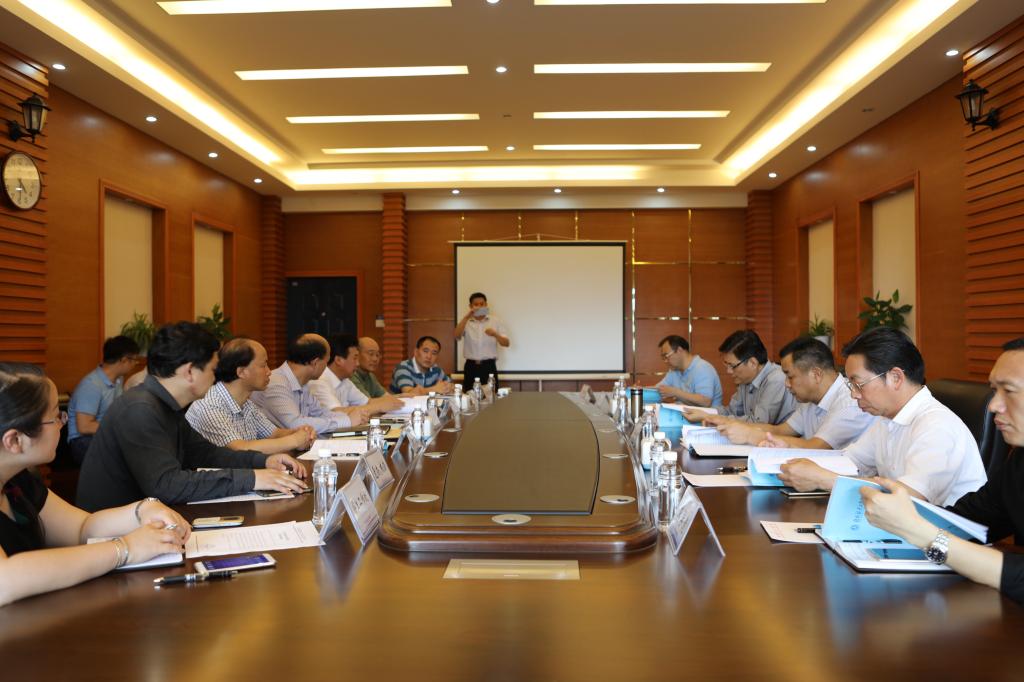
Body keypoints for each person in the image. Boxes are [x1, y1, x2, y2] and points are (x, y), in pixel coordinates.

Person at [0, 364, 190, 607]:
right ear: (15, 440)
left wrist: (142, 510)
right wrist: (125, 548)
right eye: (56, 417)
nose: (62, 423)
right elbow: (5, 580)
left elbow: (81, 528)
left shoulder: (18, 481)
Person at [860, 338, 1024, 603]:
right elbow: (970, 521)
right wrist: (880, 528)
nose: (994, 405)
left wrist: (923, 533)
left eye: (1010, 391)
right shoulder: (1019, 462)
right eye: (995, 390)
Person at [76, 322, 307, 511]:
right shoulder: (140, 409)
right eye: (212, 369)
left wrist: (263, 462)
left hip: (149, 522)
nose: (216, 377)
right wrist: (253, 478)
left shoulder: (166, 404)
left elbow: (205, 453)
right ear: (189, 372)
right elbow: (167, 485)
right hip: (116, 536)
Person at [779, 327, 986, 506]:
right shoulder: (886, 419)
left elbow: (908, 499)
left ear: (895, 377)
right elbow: (850, 461)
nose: (853, 394)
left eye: (858, 384)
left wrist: (823, 479)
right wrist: (789, 458)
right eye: (851, 385)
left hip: (944, 536)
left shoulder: (937, 426)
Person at [711, 336, 874, 449]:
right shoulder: (810, 400)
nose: (786, 384)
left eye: (790, 376)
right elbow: (779, 430)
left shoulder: (849, 401)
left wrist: (749, 436)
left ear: (816, 374)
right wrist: (731, 424)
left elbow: (815, 447)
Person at [185, 337, 316, 454]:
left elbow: (273, 434)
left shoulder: (246, 404)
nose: (269, 372)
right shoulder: (210, 405)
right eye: (263, 365)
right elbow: (239, 448)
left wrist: (301, 433)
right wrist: (294, 440)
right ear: (241, 372)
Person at [685, 330, 796, 424]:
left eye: (732, 366)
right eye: (726, 365)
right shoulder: (746, 379)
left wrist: (709, 417)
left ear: (752, 363)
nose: (729, 371)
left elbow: (758, 423)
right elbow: (731, 411)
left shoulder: (776, 379)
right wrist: (703, 412)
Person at [251, 333, 353, 433]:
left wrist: (349, 418)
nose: (326, 367)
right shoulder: (276, 383)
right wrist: (347, 421)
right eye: (326, 362)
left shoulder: (303, 383)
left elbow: (321, 413)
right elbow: (295, 424)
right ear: (315, 363)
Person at [66, 335, 140, 464]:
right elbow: (84, 426)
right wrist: (120, 428)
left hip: (103, 435)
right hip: (83, 441)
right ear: (124, 360)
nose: (135, 364)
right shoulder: (92, 385)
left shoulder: (118, 379)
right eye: (134, 360)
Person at [307, 334, 402, 422]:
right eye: (355, 358)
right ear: (338, 360)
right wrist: (379, 406)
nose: (358, 363)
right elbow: (336, 413)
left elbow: (367, 402)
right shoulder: (319, 382)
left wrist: (396, 402)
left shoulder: (345, 380)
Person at [454, 292, 510, 391]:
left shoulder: (495, 321)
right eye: (476, 304)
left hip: (489, 366)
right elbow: (456, 336)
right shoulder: (465, 321)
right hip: (471, 366)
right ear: (471, 306)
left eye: (482, 304)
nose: (479, 307)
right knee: (469, 395)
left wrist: (495, 334)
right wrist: (466, 317)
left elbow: (506, 343)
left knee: (492, 396)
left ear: (486, 305)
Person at [653, 335, 722, 408]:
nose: (665, 361)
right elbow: (659, 388)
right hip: (685, 412)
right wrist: (644, 389)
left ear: (679, 350)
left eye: (666, 356)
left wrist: (675, 392)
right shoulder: (674, 370)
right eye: (663, 358)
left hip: (706, 414)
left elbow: (705, 402)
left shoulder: (702, 368)